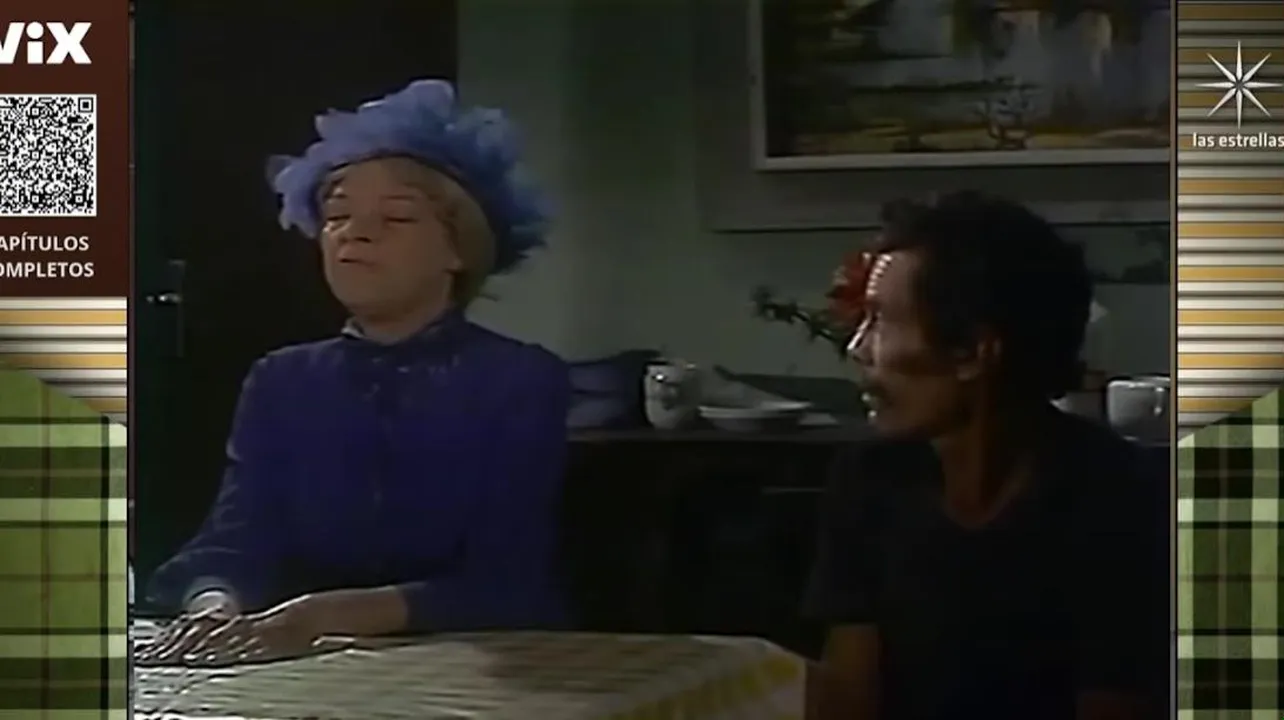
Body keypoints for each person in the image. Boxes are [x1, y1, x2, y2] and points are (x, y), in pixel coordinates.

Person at [139, 79, 570, 666]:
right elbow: (234, 542)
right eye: (337, 214)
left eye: (396, 217)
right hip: (303, 667)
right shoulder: (282, 381)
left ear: (459, 251)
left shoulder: (518, 379)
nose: (355, 233)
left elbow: (504, 582)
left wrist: (318, 616)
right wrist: (215, 607)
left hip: (477, 667)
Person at [804, 192, 1158, 720]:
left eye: (880, 320)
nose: (857, 348)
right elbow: (849, 699)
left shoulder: (1119, 497)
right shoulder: (871, 478)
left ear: (973, 351)